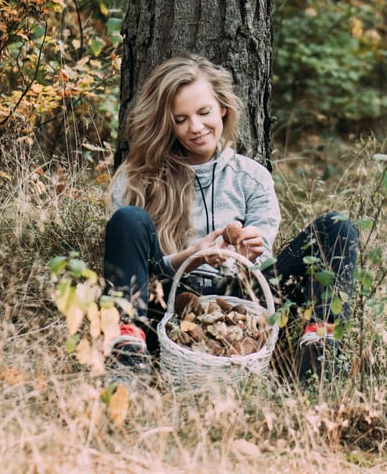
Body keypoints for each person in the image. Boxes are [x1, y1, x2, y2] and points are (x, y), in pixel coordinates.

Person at [102, 52, 358, 383]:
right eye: (180, 119)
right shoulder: (137, 179)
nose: (195, 127)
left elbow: (263, 265)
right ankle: (127, 357)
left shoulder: (251, 177)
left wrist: (248, 256)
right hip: (168, 304)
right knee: (128, 220)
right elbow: (140, 269)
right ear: (166, 123)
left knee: (337, 228)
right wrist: (191, 258)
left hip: (242, 298)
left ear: (223, 107)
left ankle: (319, 359)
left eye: (204, 112)